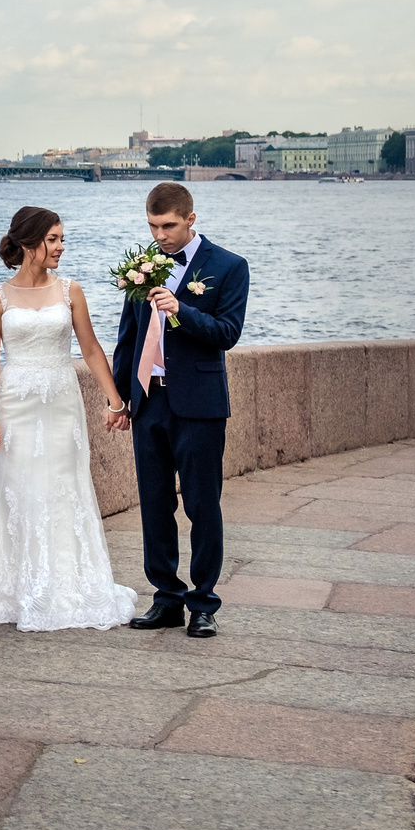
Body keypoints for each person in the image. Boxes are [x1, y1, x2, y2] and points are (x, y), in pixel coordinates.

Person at [0, 206, 140, 631]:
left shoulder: (71, 291)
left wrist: (115, 402)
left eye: (61, 239)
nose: (61, 247)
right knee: (14, 489)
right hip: (15, 403)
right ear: (30, 244)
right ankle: (12, 589)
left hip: (61, 403)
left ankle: (64, 584)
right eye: (53, 239)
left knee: (62, 486)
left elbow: (89, 349)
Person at [110, 181, 250, 638]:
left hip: (200, 405)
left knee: (202, 505)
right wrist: (119, 396)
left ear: (191, 219)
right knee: (153, 504)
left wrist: (180, 310)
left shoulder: (228, 266)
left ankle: (203, 603)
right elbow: (128, 339)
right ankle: (166, 598)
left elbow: (227, 332)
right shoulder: (142, 266)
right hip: (150, 401)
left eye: (168, 225)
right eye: (152, 225)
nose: (160, 235)